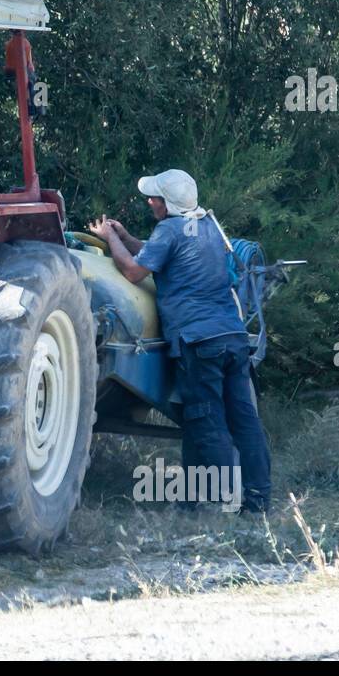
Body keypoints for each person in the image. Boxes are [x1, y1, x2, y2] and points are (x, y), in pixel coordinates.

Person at [89, 169, 271, 513]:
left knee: (207, 419)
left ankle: (221, 503)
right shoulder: (208, 228)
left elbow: (133, 271)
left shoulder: (170, 229)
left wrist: (108, 237)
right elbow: (157, 254)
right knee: (244, 419)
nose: (150, 201)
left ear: (166, 204)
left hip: (199, 341)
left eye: (154, 197)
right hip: (231, 336)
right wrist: (127, 237)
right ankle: (258, 502)